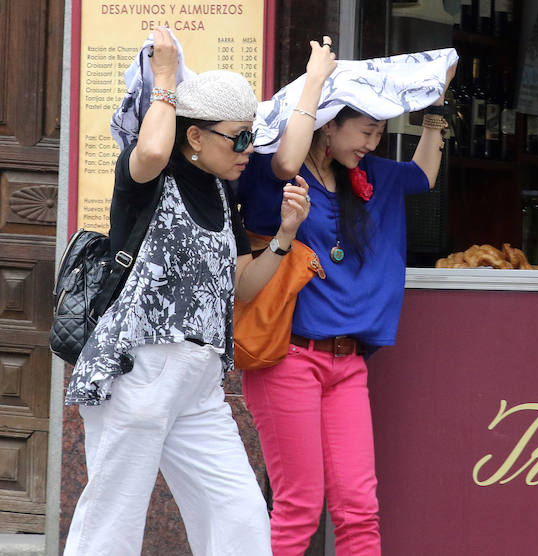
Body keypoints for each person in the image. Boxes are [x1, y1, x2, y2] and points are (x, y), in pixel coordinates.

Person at [62, 29, 334, 555]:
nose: (247, 149)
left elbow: (239, 287)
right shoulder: (148, 175)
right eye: (237, 137)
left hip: (202, 383)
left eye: (250, 135)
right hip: (137, 372)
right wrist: (166, 79)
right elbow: (154, 144)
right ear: (195, 137)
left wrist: (283, 239)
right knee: (112, 523)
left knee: (241, 516)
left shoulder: (220, 190)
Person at [237, 49, 456, 554]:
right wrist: (315, 81)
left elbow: (423, 176)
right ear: (329, 126)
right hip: (289, 358)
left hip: (348, 362)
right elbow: (288, 157)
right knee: (299, 505)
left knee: (360, 508)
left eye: (379, 133)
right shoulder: (284, 179)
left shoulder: (371, 175)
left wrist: (433, 118)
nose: (372, 143)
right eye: (364, 131)